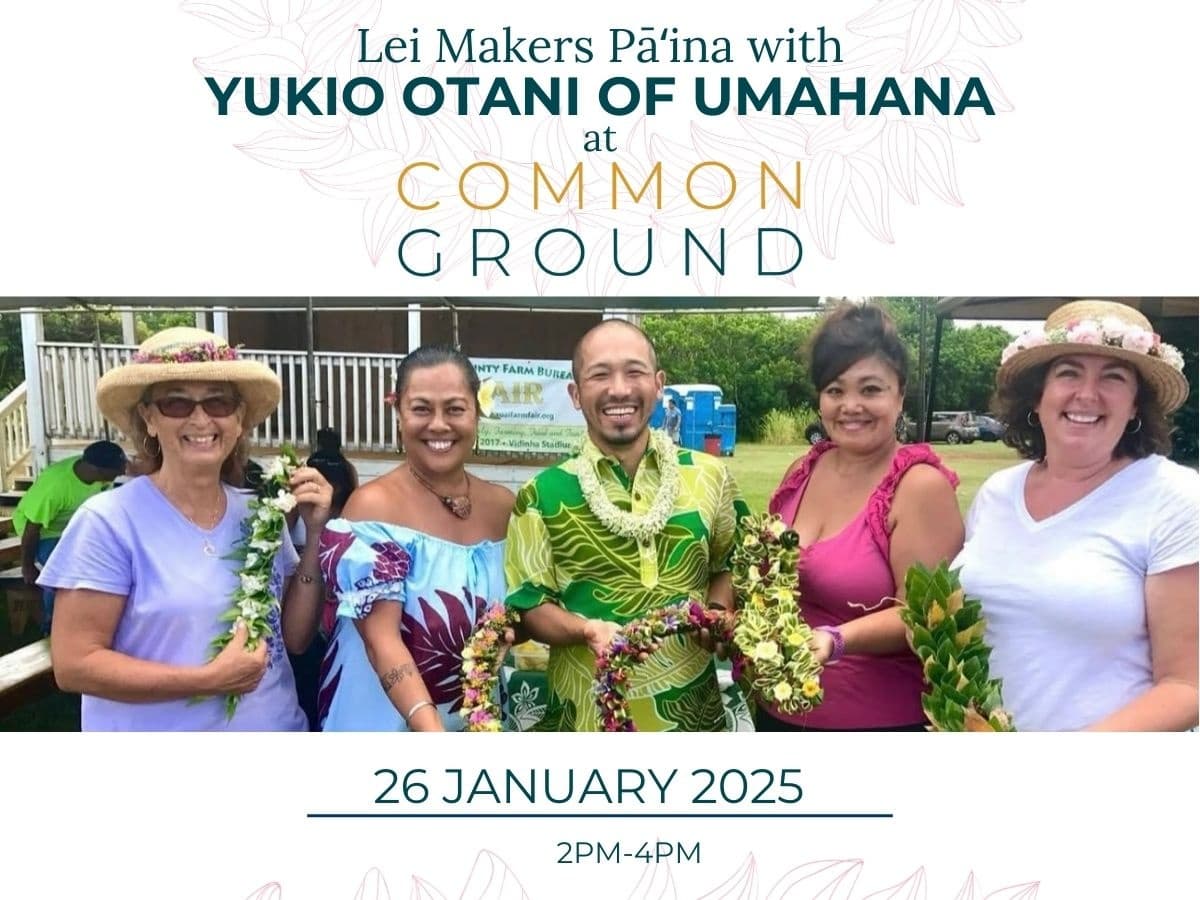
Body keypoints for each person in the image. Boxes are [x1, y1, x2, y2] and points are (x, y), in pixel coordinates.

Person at [39, 327, 333, 731]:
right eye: (176, 403)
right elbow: (74, 665)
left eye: (219, 401)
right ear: (149, 418)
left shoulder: (258, 513)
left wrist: (315, 535)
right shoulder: (109, 522)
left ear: (239, 417)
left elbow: (294, 639)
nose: (200, 418)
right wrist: (208, 681)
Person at [953, 300, 1198, 731]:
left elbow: (1185, 686)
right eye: (1068, 373)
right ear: (1038, 394)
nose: (1087, 394)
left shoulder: (1174, 498)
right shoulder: (997, 493)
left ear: (1137, 404)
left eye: (1113, 377)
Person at [504, 319, 748, 731]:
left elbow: (729, 564)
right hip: (583, 720)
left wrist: (719, 611)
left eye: (634, 372)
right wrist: (585, 630)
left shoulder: (711, 477)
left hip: (693, 721)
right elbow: (528, 607)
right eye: (599, 374)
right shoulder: (542, 493)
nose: (619, 389)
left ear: (658, 384)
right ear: (576, 394)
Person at [764, 302, 963, 731]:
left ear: (900, 394)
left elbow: (925, 617)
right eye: (835, 390)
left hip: (877, 726)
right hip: (779, 717)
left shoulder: (919, 487)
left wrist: (838, 640)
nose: (850, 405)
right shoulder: (803, 469)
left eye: (870, 389)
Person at [317, 346, 514, 731]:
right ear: (399, 416)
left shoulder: (504, 507)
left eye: (455, 408)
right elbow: (380, 640)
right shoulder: (372, 508)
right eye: (421, 409)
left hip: (475, 718)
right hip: (381, 722)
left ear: (477, 414)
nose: (439, 424)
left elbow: (515, 609)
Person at [15, 440, 127, 634]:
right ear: (98, 470)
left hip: (74, 526)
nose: (122, 473)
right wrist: (27, 566)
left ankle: (98, 622)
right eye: (117, 470)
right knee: (62, 571)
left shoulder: (99, 476)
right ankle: (52, 627)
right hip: (44, 533)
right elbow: (32, 529)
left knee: (113, 563)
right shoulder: (56, 487)